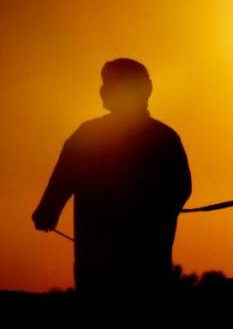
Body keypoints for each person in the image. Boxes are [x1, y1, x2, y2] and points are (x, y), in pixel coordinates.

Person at [31, 58, 192, 296]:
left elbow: (63, 179)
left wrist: (48, 211)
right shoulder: (164, 137)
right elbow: (181, 188)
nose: (104, 90)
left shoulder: (89, 134)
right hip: (144, 257)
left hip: (104, 259)